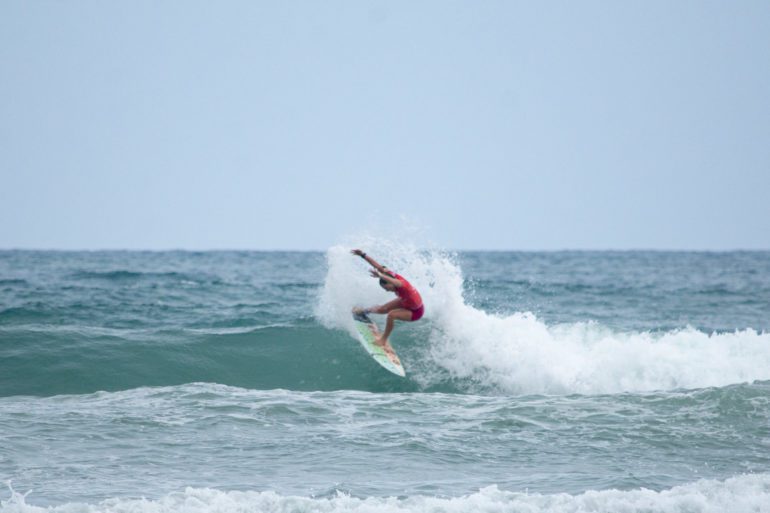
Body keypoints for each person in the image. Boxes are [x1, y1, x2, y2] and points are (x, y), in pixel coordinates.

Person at [350, 249, 424, 352]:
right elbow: (378, 266)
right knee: (382, 309)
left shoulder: (401, 285)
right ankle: (363, 311)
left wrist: (380, 276)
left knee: (391, 315)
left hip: (415, 311)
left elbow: (397, 283)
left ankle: (383, 340)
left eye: (387, 288)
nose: (387, 291)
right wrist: (362, 255)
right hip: (405, 301)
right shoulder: (390, 274)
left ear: (390, 283)